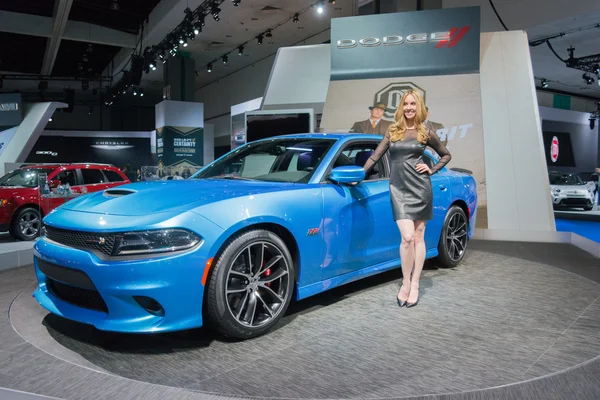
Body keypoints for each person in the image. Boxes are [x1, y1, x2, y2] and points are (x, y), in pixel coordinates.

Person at [362, 90, 451, 308]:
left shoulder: (425, 132)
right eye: (406, 104)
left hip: (420, 187)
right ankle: (405, 282)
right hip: (399, 189)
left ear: (418, 107)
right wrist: (358, 175)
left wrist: (431, 169)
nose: (409, 107)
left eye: (413, 104)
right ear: (401, 107)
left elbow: (446, 154)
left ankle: (415, 284)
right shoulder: (393, 130)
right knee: (407, 237)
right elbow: (375, 156)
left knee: (418, 237)